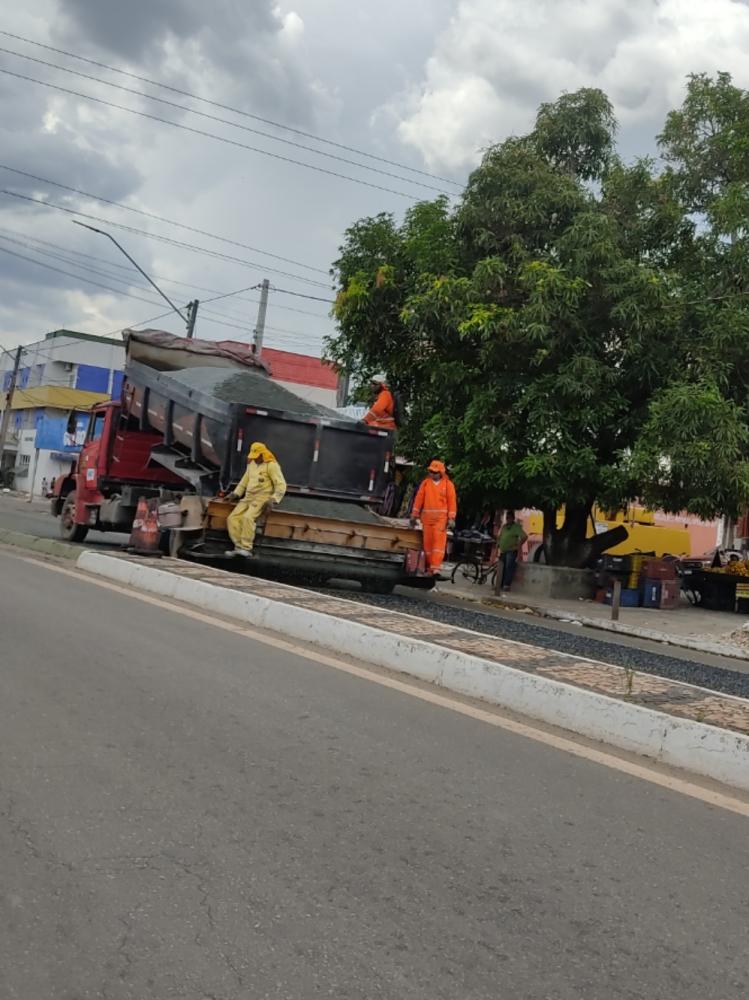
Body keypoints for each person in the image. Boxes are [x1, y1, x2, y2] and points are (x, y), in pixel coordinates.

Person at [226, 442, 287, 557]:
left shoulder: (271, 465)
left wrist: (273, 499)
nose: (256, 458)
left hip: (261, 497)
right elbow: (244, 481)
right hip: (248, 497)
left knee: (247, 518)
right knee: (232, 518)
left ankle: (246, 548)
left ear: (262, 454)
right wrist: (236, 493)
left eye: (257, 456)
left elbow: (281, 484)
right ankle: (238, 547)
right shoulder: (251, 464)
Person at [410, 460, 457, 577]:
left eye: (435, 472)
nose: (432, 474)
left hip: (441, 520)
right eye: (431, 471)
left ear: (441, 472)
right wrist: (414, 515)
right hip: (427, 519)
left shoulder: (448, 485)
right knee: (428, 545)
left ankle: (435, 568)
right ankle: (429, 568)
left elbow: (452, 502)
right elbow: (418, 500)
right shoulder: (425, 484)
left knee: (438, 545)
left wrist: (451, 518)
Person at [497, 510, 528, 592]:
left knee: (509, 568)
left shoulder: (516, 527)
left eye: (509, 518)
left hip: (511, 551)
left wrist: (519, 545)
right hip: (503, 550)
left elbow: (524, 536)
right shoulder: (504, 527)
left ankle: (506, 585)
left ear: (513, 518)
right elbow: (500, 536)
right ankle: (499, 585)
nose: (508, 519)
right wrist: (498, 544)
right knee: (501, 568)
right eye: (507, 518)